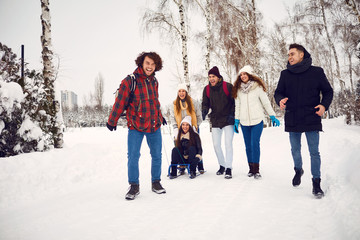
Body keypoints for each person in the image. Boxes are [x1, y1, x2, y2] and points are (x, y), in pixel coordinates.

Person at [274, 43, 333, 198]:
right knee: (295, 150)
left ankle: (316, 183)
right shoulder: (285, 74)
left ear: (301, 55)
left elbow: (328, 91)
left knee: (314, 152)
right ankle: (298, 170)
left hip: (311, 116)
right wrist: (280, 100)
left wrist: (323, 105)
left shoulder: (317, 72)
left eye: (292, 54)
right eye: (288, 55)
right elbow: (278, 92)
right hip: (293, 117)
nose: (289, 57)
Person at [106, 51, 167, 200]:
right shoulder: (130, 81)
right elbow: (120, 102)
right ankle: (134, 186)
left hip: (154, 125)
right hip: (136, 125)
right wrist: (112, 120)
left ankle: (156, 182)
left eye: (153, 64)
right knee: (133, 156)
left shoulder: (154, 81)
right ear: (141, 63)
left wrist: (160, 116)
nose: (150, 67)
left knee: (157, 155)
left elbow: (154, 102)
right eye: (147, 63)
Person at [232, 65, 280, 179]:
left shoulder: (257, 87)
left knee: (254, 144)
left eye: (245, 74)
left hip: (257, 120)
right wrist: (236, 120)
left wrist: (272, 116)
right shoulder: (238, 90)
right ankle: (251, 169)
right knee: (248, 146)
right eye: (241, 74)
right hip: (244, 122)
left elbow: (265, 103)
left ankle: (256, 170)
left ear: (249, 75)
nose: (243, 76)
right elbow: (237, 106)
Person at [202, 66, 235, 179]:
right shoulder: (207, 89)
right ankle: (222, 165)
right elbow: (205, 103)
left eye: (213, 76)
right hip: (215, 119)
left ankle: (229, 168)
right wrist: (204, 110)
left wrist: (232, 115)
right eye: (210, 77)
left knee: (228, 144)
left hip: (228, 119)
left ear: (218, 76)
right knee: (216, 145)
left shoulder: (228, 86)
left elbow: (234, 102)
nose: (211, 79)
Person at [170, 83, 204, 174]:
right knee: (179, 147)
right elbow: (172, 117)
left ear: (186, 92)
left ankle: (199, 165)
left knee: (195, 147)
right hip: (179, 130)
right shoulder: (174, 104)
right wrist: (175, 128)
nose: (181, 93)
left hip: (193, 128)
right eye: (180, 91)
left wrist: (195, 126)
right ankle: (182, 166)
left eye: (183, 91)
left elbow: (199, 116)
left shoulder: (193, 102)